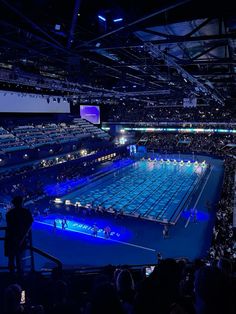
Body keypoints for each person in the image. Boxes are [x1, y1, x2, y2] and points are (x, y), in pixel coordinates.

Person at [4, 196, 33, 275]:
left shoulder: (9, 213)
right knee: (20, 258)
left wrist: (14, 237)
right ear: (22, 202)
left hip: (10, 238)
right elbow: (29, 225)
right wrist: (22, 237)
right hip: (21, 238)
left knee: (11, 259)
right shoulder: (26, 212)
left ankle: (12, 275)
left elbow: (10, 226)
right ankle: (20, 276)